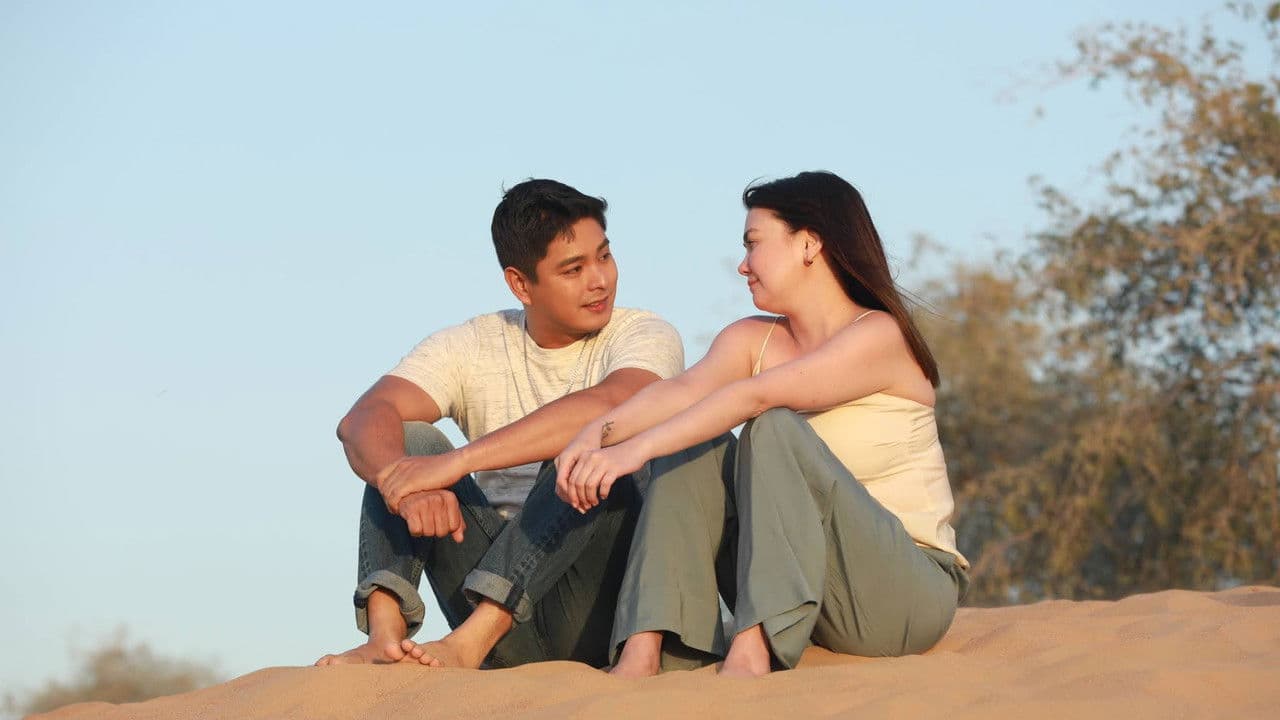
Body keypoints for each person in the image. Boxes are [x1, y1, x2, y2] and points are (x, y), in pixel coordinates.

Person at [555, 170, 970, 677]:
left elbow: (755, 397)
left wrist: (629, 453)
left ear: (809, 244)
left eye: (753, 244)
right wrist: (595, 435)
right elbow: (680, 393)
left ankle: (752, 650)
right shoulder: (752, 338)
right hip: (811, 598)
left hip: (903, 595)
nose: (743, 264)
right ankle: (645, 649)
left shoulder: (880, 335)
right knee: (692, 441)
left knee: (772, 426)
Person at [314, 179, 684, 670]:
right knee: (409, 441)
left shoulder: (643, 333)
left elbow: (615, 404)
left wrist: (455, 463)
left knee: (589, 448)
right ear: (521, 284)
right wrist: (401, 485)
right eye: (574, 269)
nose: (599, 280)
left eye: (605, 256)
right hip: (487, 591)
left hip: (594, 607)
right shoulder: (474, 343)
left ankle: (473, 639)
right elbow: (362, 417)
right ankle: (385, 638)